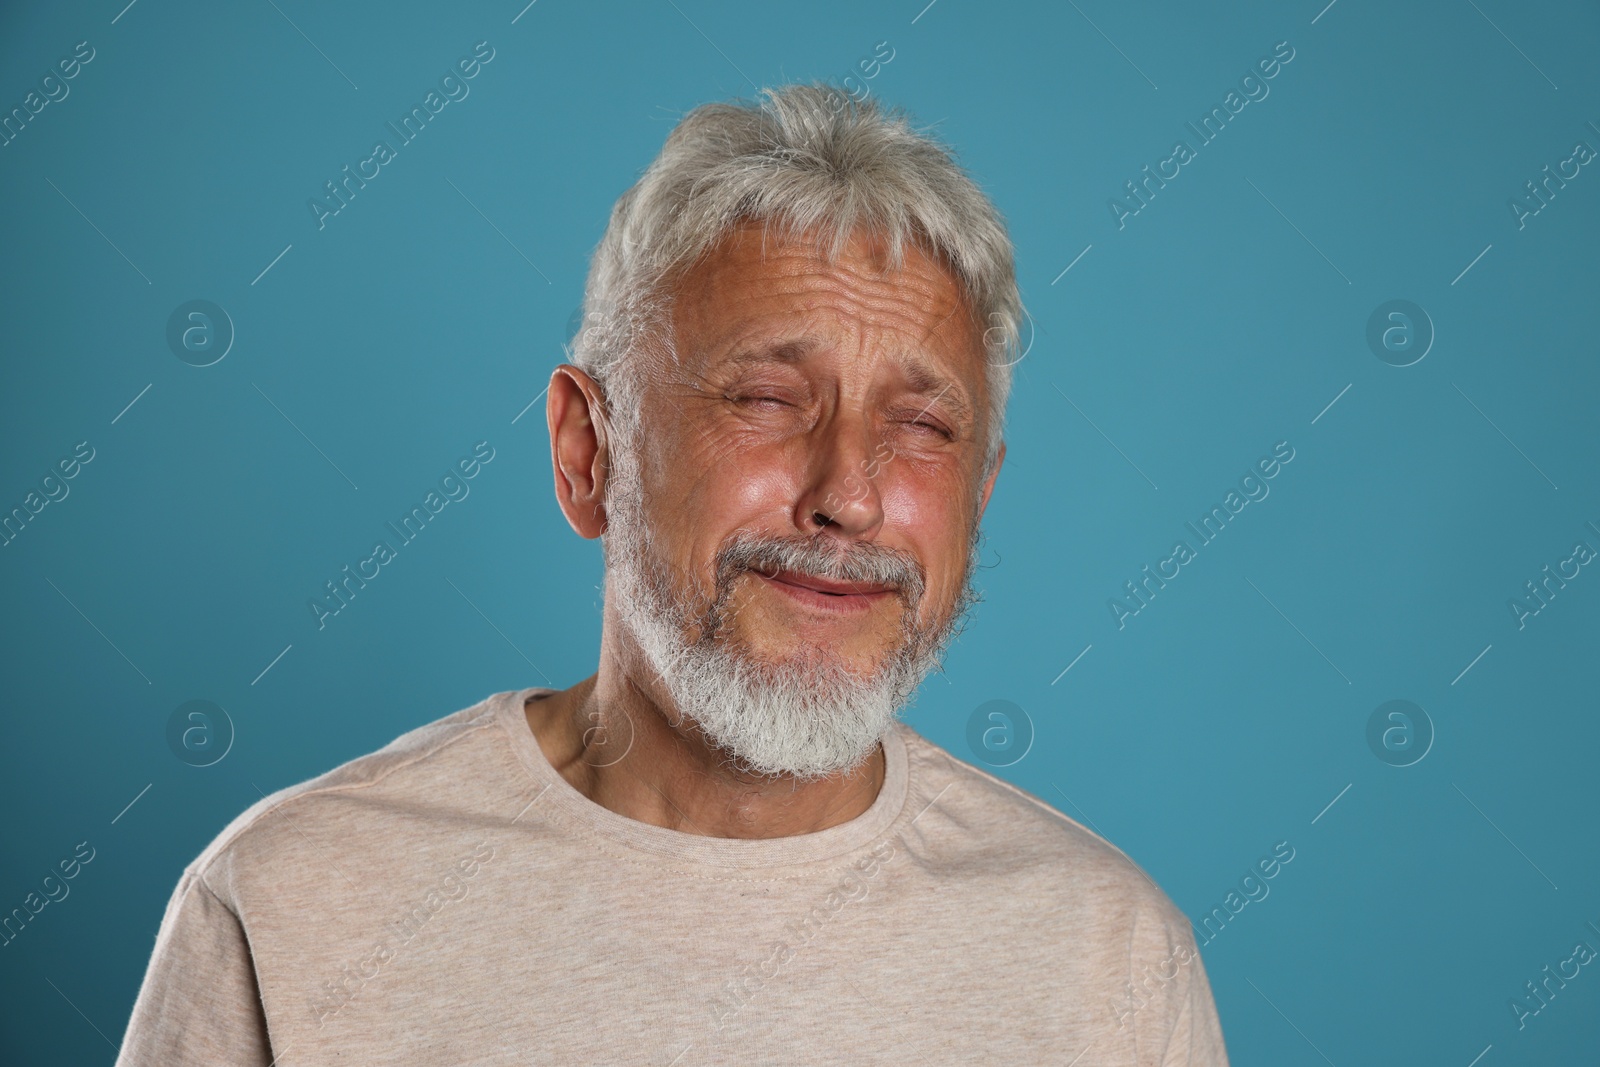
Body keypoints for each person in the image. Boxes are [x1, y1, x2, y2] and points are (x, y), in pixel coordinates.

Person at [116, 82, 1228, 1065]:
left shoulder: (1108, 959)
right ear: (586, 451)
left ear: (978, 496)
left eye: (922, 422)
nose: (848, 492)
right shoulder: (290, 905)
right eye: (766, 399)